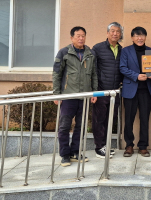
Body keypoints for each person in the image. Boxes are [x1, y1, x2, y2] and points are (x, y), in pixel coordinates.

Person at [52, 26, 98, 167]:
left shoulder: (90, 53)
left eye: (83, 36)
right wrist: (56, 94)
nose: (81, 38)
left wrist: (94, 92)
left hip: (85, 96)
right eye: (78, 36)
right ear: (72, 38)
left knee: (81, 126)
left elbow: (94, 74)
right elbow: (56, 74)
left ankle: (75, 152)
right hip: (68, 96)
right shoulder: (64, 52)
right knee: (64, 126)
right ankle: (65, 155)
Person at [119, 27, 151, 157]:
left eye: (142, 35)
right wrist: (136, 76)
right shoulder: (126, 51)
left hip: (146, 90)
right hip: (130, 90)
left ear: (145, 37)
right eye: (137, 36)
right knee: (129, 119)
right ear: (132, 38)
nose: (140, 38)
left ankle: (143, 146)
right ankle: (129, 145)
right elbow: (122, 68)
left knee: (145, 119)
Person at [91, 22, 123, 159]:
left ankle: (106, 145)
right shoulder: (98, 48)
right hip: (101, 90)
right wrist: (94, 90)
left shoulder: (121, 49)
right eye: (112, 31)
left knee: (111, 119)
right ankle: (99, 147)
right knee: (99, 119)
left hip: (115, 91)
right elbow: (92, 69)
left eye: (118, 31)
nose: (115, 33)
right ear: (107, 33)